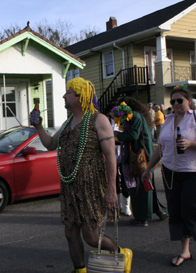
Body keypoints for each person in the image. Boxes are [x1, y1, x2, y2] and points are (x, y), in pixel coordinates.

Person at [33, 77, 126, 273]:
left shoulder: (98, 119)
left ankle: (121, 254)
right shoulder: (68, 123)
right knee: (70, 233)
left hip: (91, 185)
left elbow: (111, 155)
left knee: (91, 236)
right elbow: (50, 144)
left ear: (79, 97)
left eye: (68, 93)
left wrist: (112, 188)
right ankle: (80, 270)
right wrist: (39, 127)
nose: (63, 96)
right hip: (70, 186)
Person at [141, 85, 196, 266]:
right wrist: (148, 169)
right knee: (176, 211)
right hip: (171, 171)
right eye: (173, 101)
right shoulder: (168, 119)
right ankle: (185, 251)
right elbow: (160, 148)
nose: (176, 104)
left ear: (189, 102)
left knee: (190, 208)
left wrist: (191, 143)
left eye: (180, 100)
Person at [114, 98, 168, 227]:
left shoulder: (135, 117)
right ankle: (158, 211)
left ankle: (142, 218)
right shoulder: (137, 116)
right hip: (143, 156)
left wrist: (117, 134)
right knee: (147, 185)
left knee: (139, 187)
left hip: (139, 157)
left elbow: (133, 135)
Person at [107, 103, 132, 217]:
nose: (113, 113)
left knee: (125, 179)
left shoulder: (123, 122)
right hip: (111, 154)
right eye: (112, 111)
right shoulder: (107, 122)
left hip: (122, 152)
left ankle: (126, 205)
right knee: (114, 180)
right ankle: (117, 205)